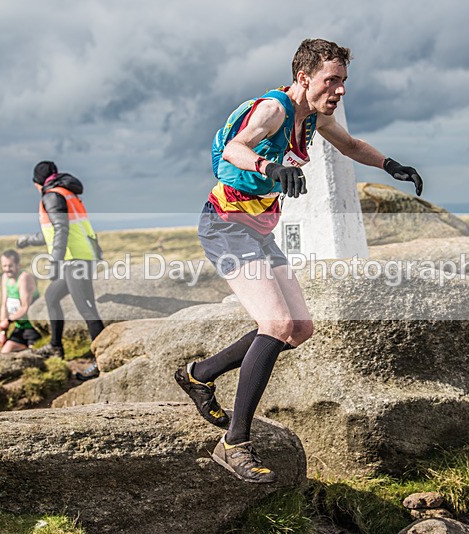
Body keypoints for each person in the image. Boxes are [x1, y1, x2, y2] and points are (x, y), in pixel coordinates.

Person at [175, 38, 423, 483]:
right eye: (333, 79)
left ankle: (199, 375)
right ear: (304, 77)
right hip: (226, 226)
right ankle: (234, 443)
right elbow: (234, 149)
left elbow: (349, 145)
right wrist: (271, 170)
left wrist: (392, 166)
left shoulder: (315, 118)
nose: (341, 89)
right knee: (276, 325)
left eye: (344, 80)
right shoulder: (274, 110)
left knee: (300, 329)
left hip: (258, 230)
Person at [17, 161, 105, 381]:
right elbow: (54, 231)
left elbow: (62, 229)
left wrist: (54, 263)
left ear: (37, 182)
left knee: (87, 310)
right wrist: (29, 240)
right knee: (52, 295)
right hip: (79, 256)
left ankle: (102, 362)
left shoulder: (51, 196)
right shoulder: (65, 193)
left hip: (76, 260)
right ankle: (56, 346)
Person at [0, 249, 42, 353]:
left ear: (18, 265)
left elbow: (25, 307)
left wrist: (8, 321)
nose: (7, 269)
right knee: (4, 353)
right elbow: (4, 305)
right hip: (19, 327)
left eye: (10, 266)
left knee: (33, 357)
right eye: (4, 266)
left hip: (33, 327)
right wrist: (3, 332)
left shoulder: (24, 278)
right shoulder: (5, 278)